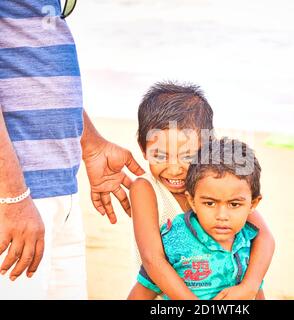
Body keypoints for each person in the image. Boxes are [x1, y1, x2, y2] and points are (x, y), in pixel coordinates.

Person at [0, 1, 143, 299]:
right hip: (16, 199)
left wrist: (90, 144)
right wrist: (12, 197)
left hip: (56, 192)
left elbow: (33, 66)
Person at [127, 82, 275, 300]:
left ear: (207, 148)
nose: (175, 169)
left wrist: (250, 286)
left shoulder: (216, 185)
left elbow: (265, 238)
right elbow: (152, 259)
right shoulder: (145, 189)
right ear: (143, 149)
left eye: (187, 156)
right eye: (160, 156)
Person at [130, 138, 266, 299]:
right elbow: (142, 292)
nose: (222, 216)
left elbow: (256, 292)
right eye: (210, 203)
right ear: (192, 201)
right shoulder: (175, 242)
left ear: (253, 204)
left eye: (234, 204)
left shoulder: (248, 242)